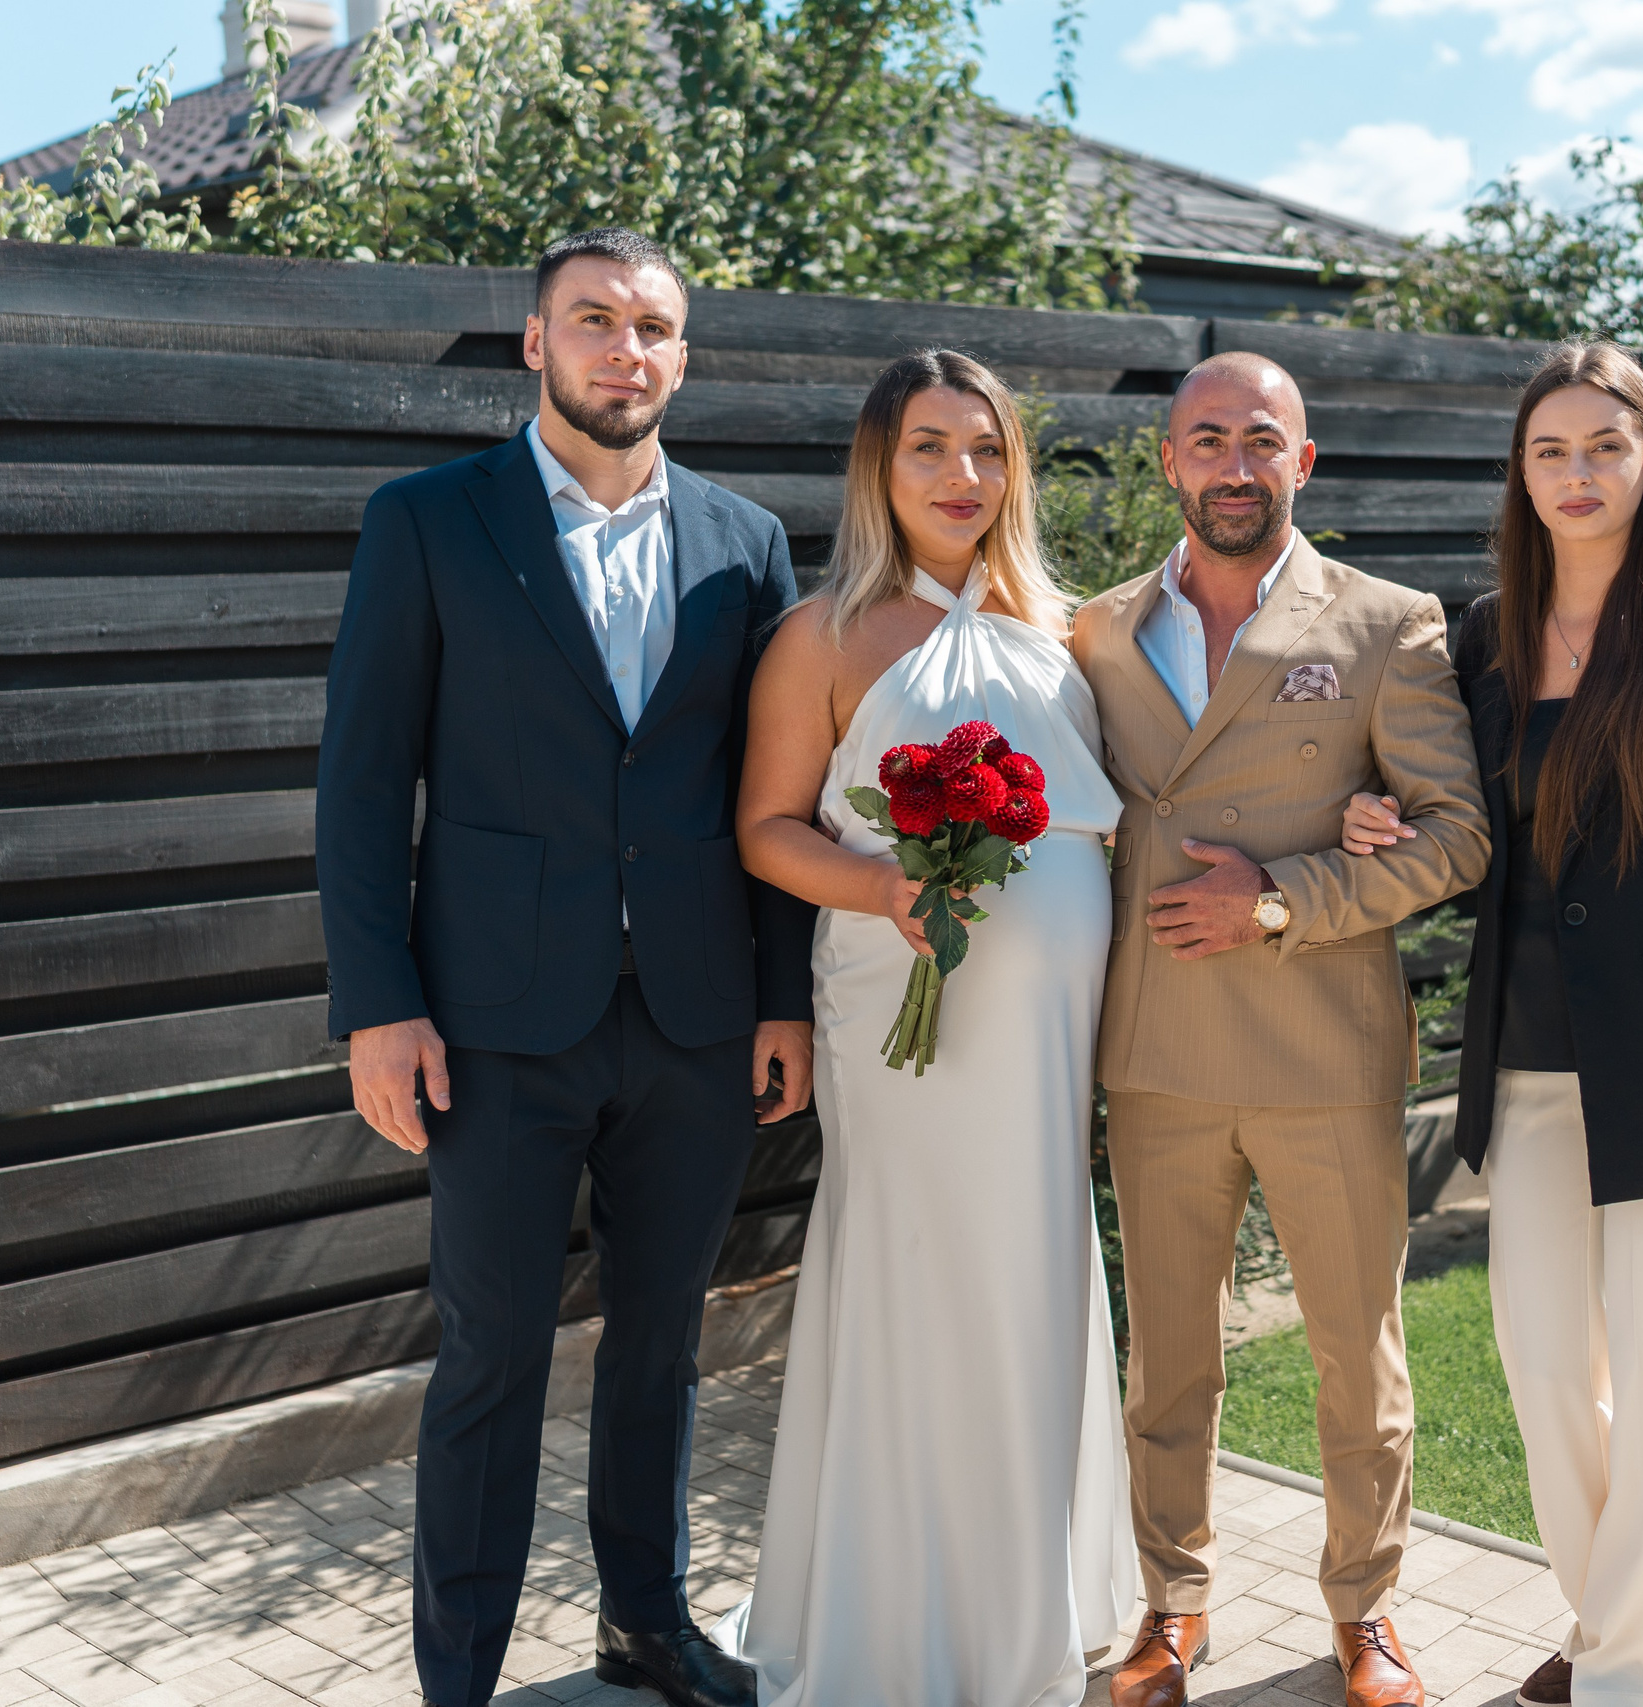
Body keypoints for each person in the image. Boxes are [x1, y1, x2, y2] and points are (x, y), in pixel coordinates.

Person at [317, 228, 811, 1707]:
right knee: (491, 1363)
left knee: (661, 1345)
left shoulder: (747, 543)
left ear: (682, 356)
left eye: (653, 327)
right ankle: (456, 1674)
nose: (625, 350)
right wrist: (378, 1003)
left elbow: (769, 795)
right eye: (592, 321)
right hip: (489, 1025)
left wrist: (780, 992)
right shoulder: (428, 522)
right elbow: (360, 780)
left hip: (695, 1023)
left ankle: (643, 1620)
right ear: (535, 344)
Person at [1351, 341, 1643, 1706]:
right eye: (1551, 450)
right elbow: (1469, 829)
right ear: (1521, 473)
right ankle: (1607, 1616)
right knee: (1547, 1369)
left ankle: (1629, 1676)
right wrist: (1381, 819)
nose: (1578, 474)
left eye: (1605, 446)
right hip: (1527, 1066)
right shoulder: (1483, 631)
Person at [1070, 353, 1491, 1707]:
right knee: (1168, 1359)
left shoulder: (1386, 623)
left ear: (1303, 465)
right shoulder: (1096, 630)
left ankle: (1366, 1616)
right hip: (1159, 1049)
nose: (1235, 463)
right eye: (1208, 439)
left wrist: (1283, 896)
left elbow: (1457, 838)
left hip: (1320, 1041)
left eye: (1263, 440)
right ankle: (1172, 1606)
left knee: (1354, 1354)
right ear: (1169, 462)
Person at [722, 349, 1139, 1707]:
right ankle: (897, 1615)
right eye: (928, 450)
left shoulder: (1071, 629)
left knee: (1033, 1272)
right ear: (877, 469)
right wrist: (883, 884)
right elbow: (767, 828)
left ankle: (1036, 1595)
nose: (962, 477)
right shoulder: (825, 633)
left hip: (1050, 1029)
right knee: (915, 1270)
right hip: (899, 1013)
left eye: (985, 449)